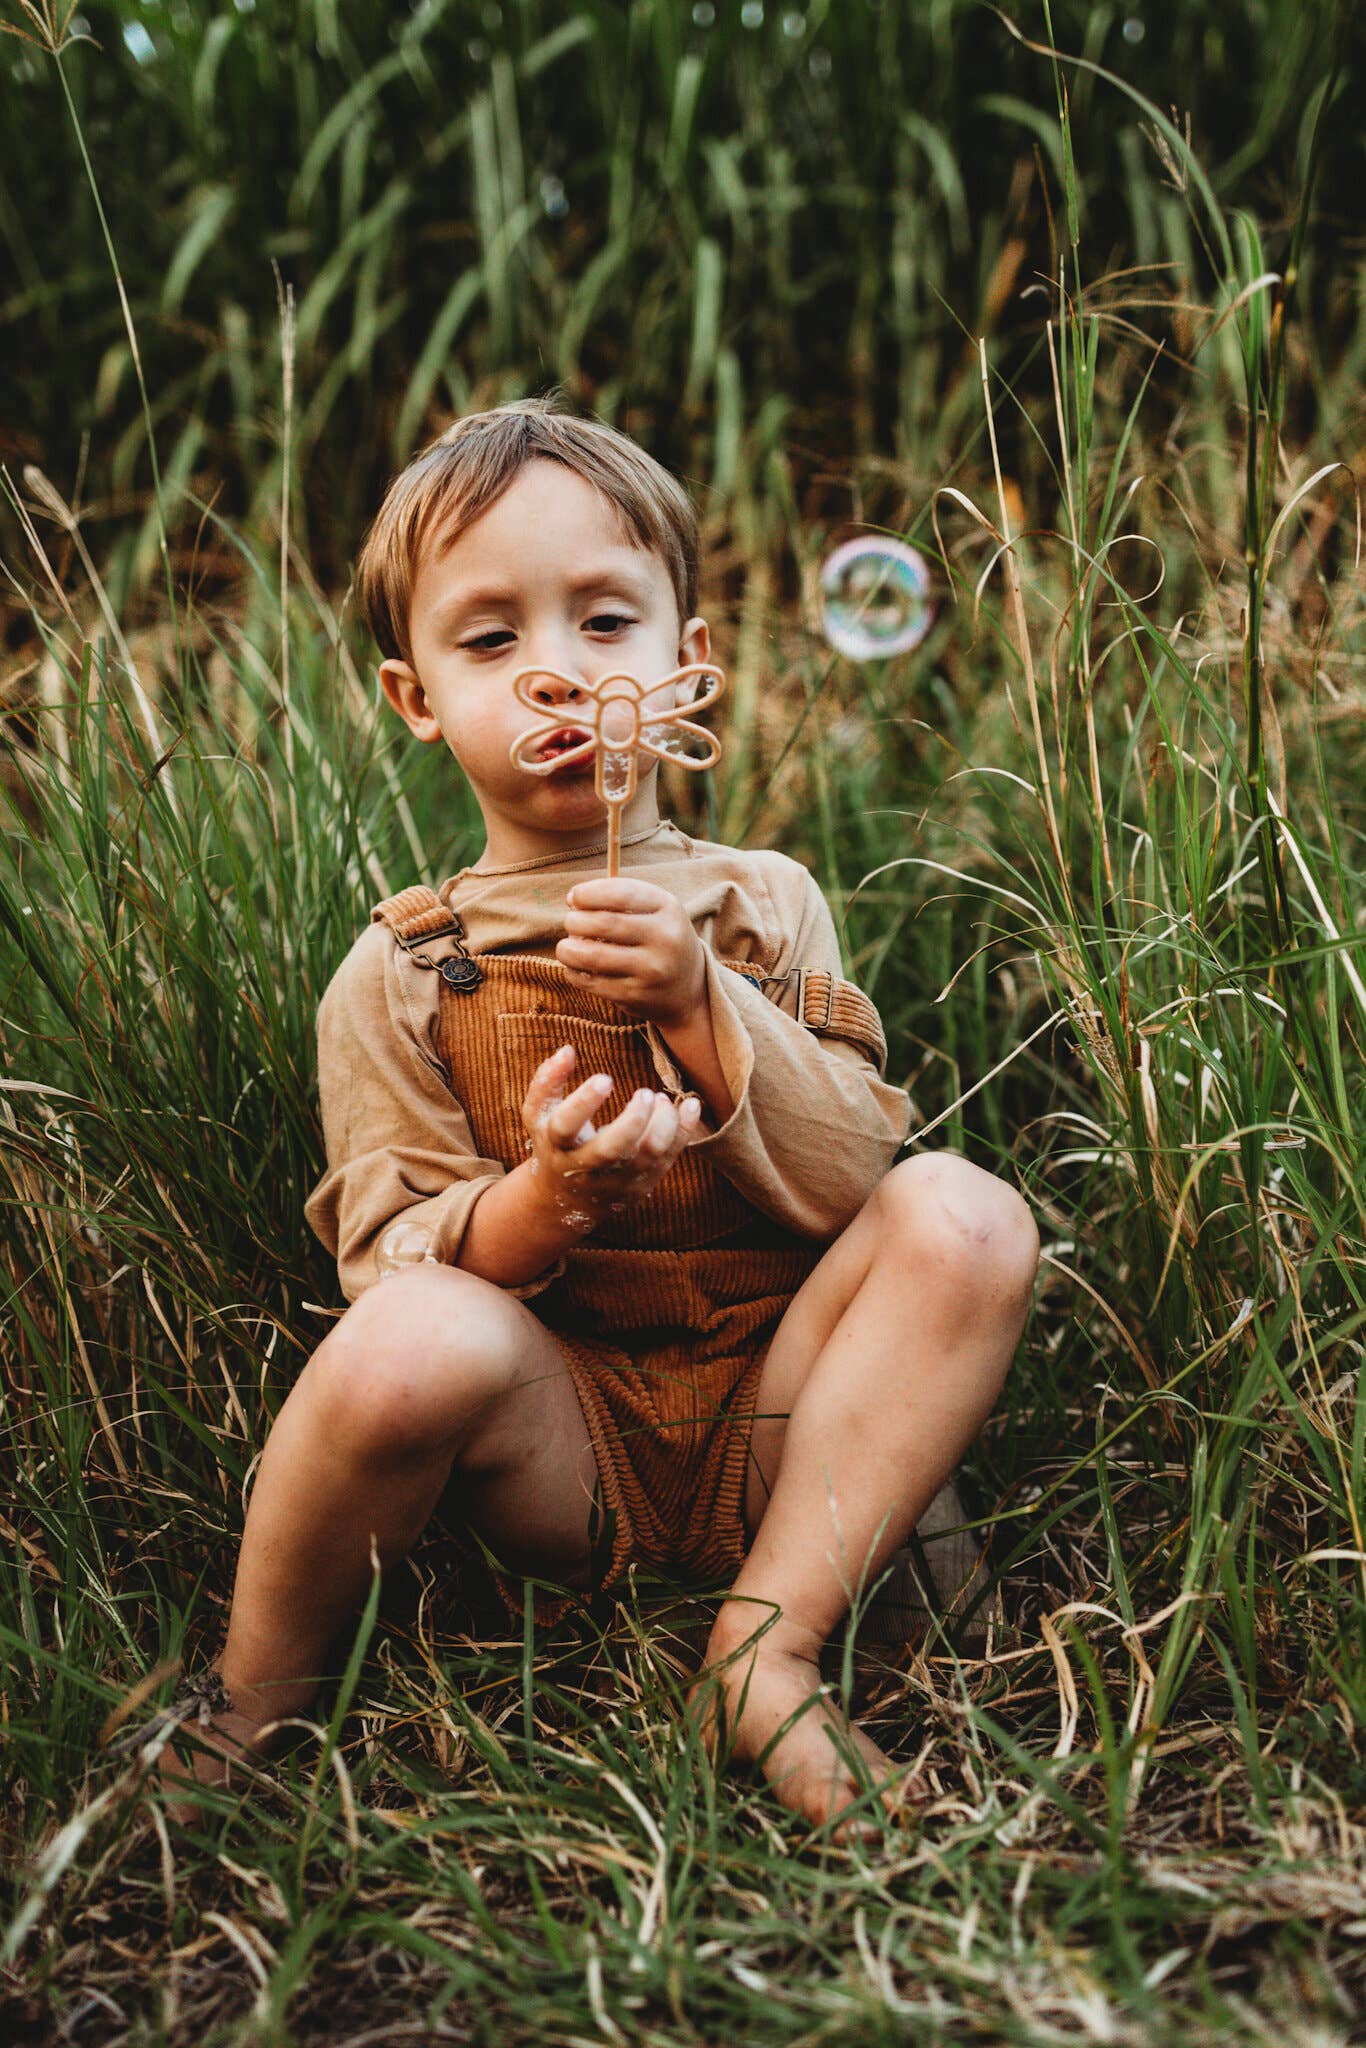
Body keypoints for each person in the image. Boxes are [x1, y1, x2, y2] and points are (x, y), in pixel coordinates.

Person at [158, 398, 1039, 1844]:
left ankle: (767, 1649)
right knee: (408, 1340)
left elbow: (846, 1182)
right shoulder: (401, 968)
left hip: (792, 1424)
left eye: (606, 622)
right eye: (493, 639)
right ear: (416, 698)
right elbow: (389, 1276)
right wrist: (545, 1199)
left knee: (962, 1210)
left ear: (688, 665)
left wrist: (705, 1000)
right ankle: (251, 1698)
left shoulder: (763, 906)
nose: (560, 674)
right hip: (564, 1453)